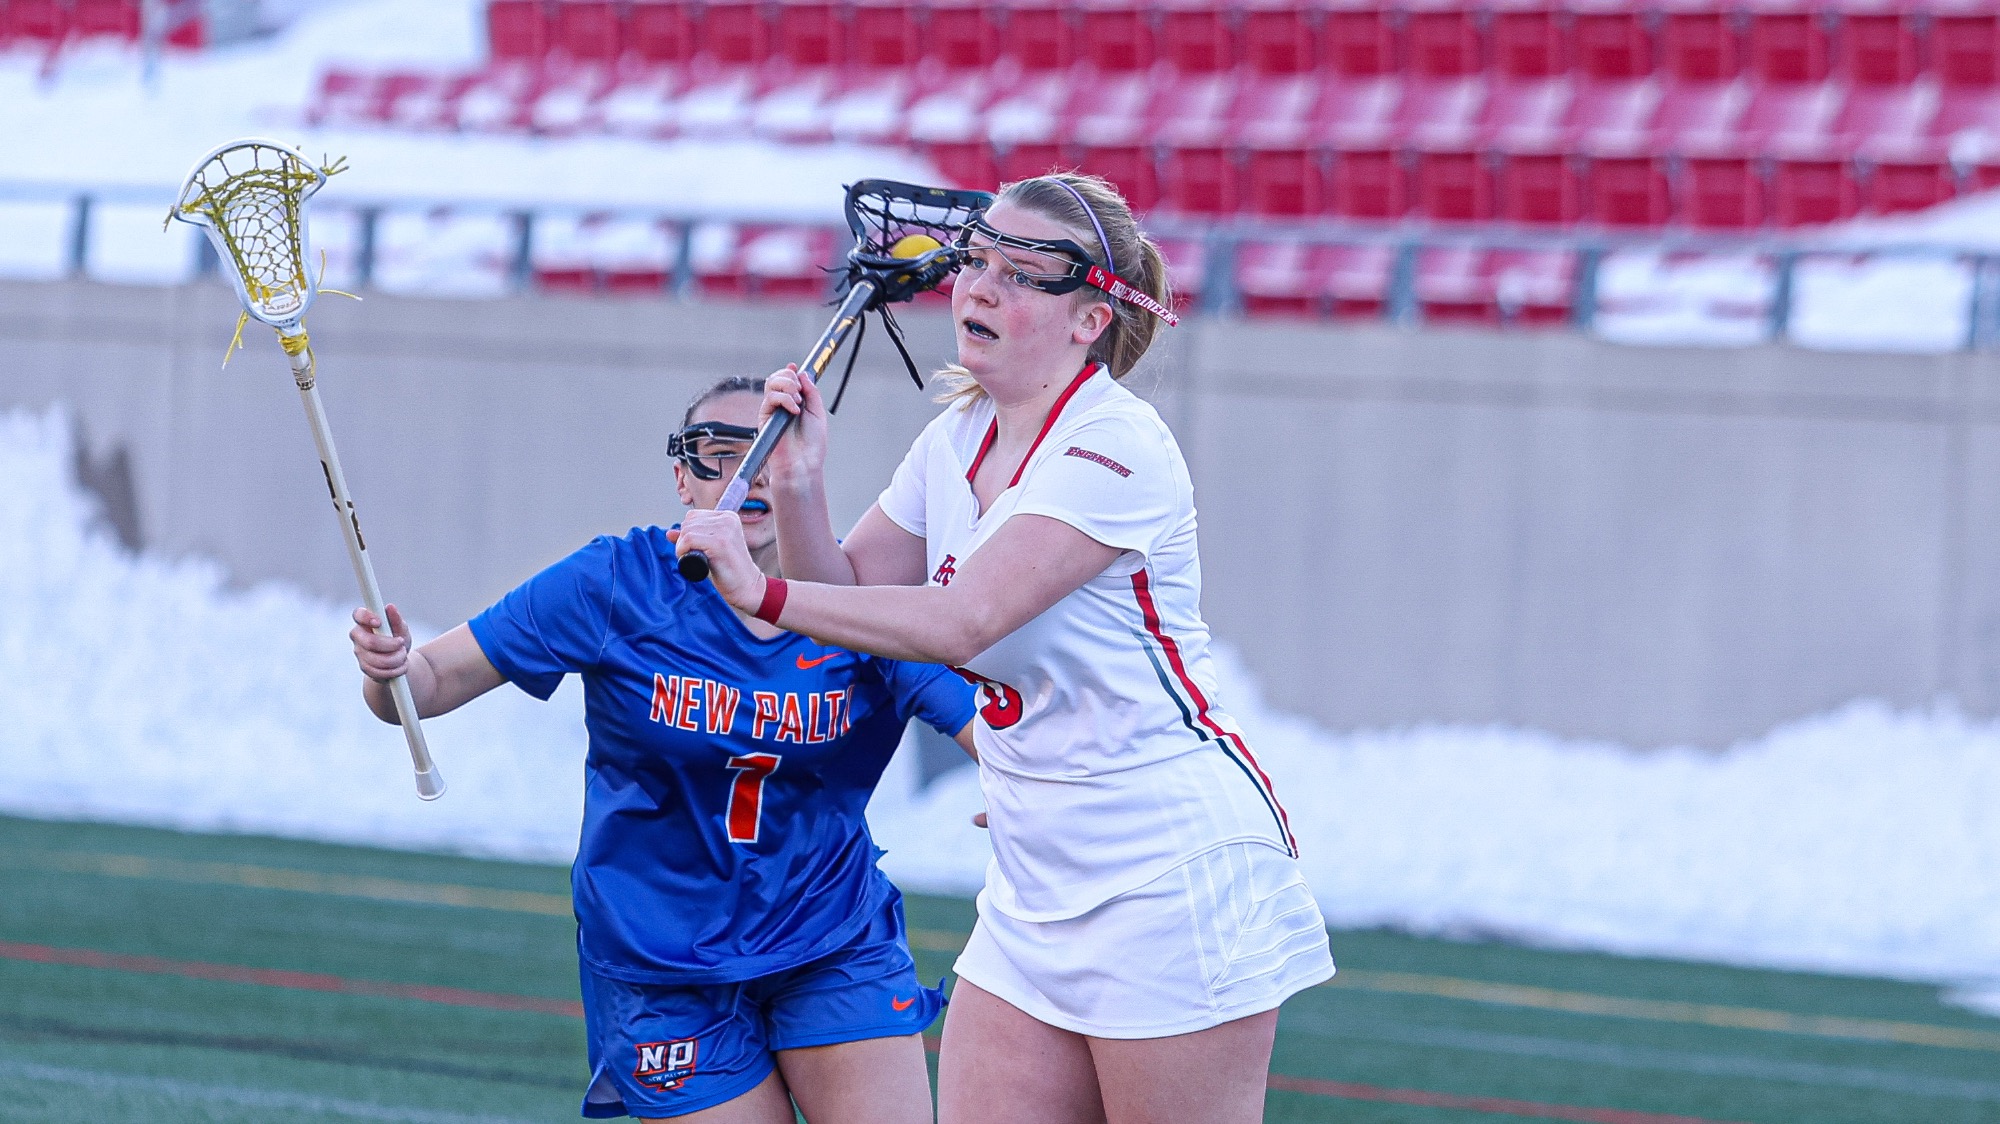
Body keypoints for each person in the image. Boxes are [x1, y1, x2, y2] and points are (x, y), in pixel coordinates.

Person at [671, 173, 1335, 1124]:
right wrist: (801, 486)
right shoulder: (955, 437)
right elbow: (850, 601)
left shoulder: (1116, 448)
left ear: (1090, 319)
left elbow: (956, 624)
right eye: (977, 261)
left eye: (1020, 274)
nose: (977, 289)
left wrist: (760, 584)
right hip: (1034, 880)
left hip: (1168, 875)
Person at [348, 376, 977, 1124]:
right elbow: (427, 684)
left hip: (828, 938)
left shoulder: (858, 604)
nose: (746, 478)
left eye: (771, 454)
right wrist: (386, 671)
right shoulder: (616, 582)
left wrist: (1022, 791)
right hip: (659, 961)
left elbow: (994, 734)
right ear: (681, 474)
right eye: (718, 455)